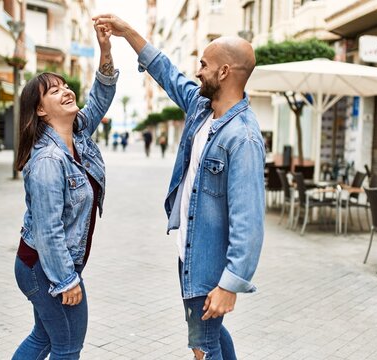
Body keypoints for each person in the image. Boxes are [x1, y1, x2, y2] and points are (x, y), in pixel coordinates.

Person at [93, 14, 265, 360]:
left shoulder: (242, 137)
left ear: (224, 72)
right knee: (210, 336)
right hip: (189, 249)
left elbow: (249, 220)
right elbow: (167, 72)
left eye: (204, 64)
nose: (198, 70)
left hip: (209, 262)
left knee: (202, 345)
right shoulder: (203, 109)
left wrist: (230, 284)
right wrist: (127, 33)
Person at [12, 20, 118, 359]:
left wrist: (105, 51)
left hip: (47, 264)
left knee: (43, 340)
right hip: (45, 266)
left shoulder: (78, 136)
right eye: (53, 91)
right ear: (41, 110)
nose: (66, 90)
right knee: (67, 346)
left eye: (64, 85)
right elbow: (48, 229)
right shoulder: (47, 160)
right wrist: (65, 281)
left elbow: (101, 98)